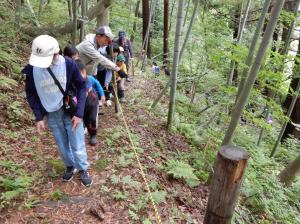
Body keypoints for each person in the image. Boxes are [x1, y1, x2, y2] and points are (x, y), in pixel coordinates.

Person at [22, 35, 92, 187]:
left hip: (69, 109)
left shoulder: (68, 64)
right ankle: (69, 165)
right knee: (61, 143)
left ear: (56, 52)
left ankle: (83, 168)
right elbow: (31, 93)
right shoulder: (31, 70)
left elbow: (81, 86)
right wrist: (38, 117)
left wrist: (79, 113)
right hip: (51, 113)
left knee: (77, 142)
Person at [76, 60, 105, 145]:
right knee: (86, 120)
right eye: (78, 73)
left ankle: (93, 135)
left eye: (82, 72)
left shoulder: (90, 78)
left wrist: (102, 95)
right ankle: (87, 130)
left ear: (85, 71)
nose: (81, 75)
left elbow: (98, 85)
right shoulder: (74, 83)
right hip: (82, 104)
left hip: (93, 102)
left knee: (92, 119)